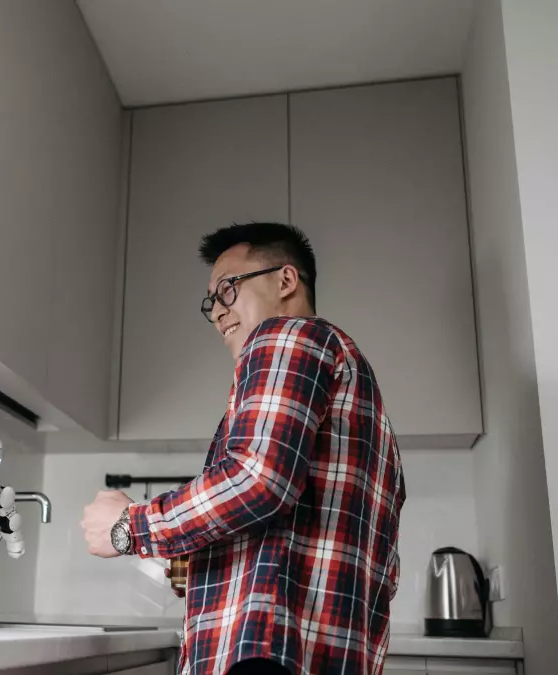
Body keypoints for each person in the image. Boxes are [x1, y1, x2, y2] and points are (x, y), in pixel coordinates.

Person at [81, 223, 405, 675]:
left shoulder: (287, 336)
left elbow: (258, 480)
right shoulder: (368, 410)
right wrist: (171, 556)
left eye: (227, 290)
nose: (216, 312)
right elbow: (272, 530)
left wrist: (129, 527)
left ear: (285, 280)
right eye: (209, 302)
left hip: (266, 651)